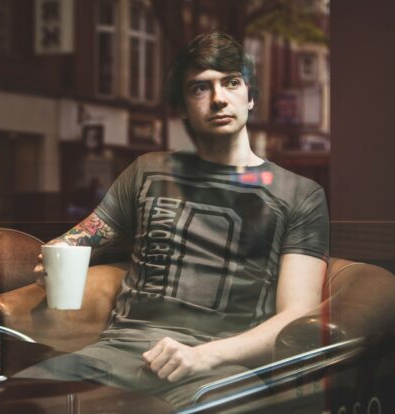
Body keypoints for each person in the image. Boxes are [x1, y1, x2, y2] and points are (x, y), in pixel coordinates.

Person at [17, 32, 329, 409]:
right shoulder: (147, 170)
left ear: (250, 96)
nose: (218, 98)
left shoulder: (299, 194)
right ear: (183, 107)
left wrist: (206, 355)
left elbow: (298, 315)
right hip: (113, 356)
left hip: (218, 369)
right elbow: (84, 236)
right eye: (200, 88)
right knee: (13, 399)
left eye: (231, 82)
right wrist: (58, 252)